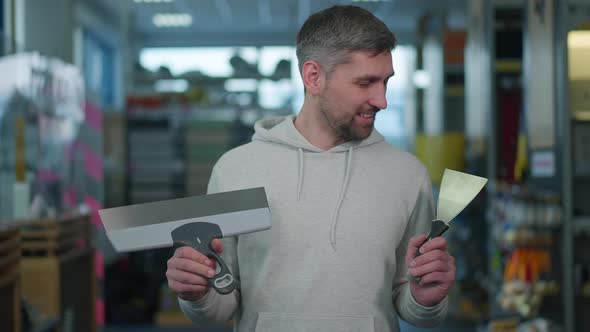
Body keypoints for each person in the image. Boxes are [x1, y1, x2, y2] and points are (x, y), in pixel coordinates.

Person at [166, 5, 455, 332]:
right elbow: (220, 305)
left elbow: (410, 304)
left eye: (386, 82)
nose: (382, 100)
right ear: (313, 77)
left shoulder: (407, 176)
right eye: (365, 83)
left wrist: (425, 299)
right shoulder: (236, 169)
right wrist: (197, 293)